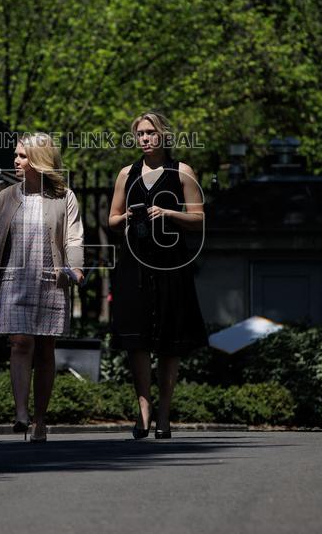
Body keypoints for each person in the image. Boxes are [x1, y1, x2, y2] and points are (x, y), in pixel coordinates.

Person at [0, 133, 84, 443]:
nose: (15, 161)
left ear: (38, 160)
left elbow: (74, 237)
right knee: (19, 342)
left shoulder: (64, 197)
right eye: (16, 155)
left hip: (51, 279)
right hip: (14, 280)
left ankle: (40, 419)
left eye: (21, 156)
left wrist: (76, 267)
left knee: (45, 349)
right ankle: (21, 411)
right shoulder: (6, 197)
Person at [108, 112, 208, 439]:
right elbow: (111, 219)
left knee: (169, 343)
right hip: (134, 264)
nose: (145, 139)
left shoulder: (182, 172)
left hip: (171, 265)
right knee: (137, 340)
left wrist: (168, 213)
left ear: (163, 135)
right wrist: (126, 216)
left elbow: (199, 218)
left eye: (151, 133)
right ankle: (143, 412)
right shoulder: (127, 173)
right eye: (140, 134)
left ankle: (164, 414)